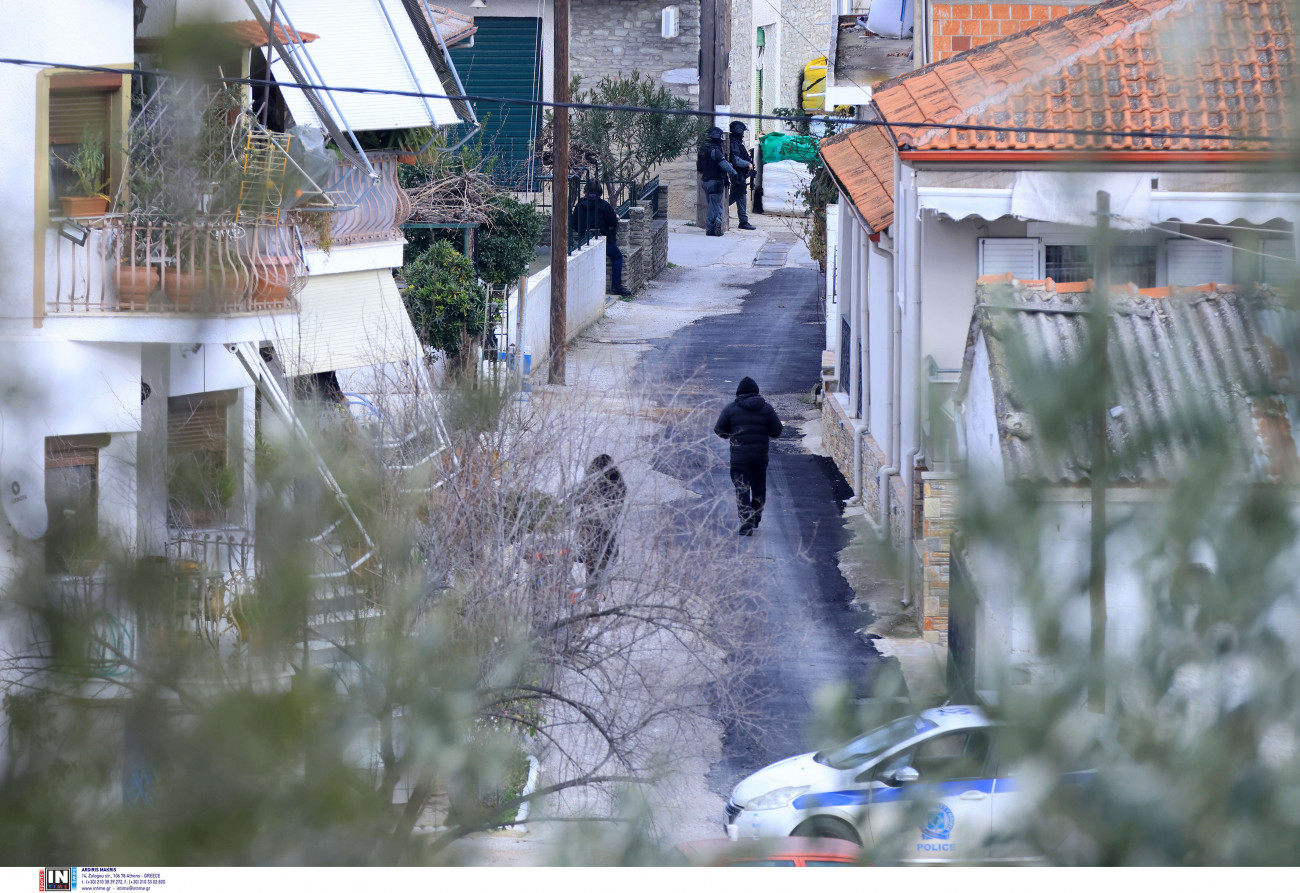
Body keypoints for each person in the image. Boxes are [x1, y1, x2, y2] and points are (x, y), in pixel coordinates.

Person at [713, 377, 782, 536]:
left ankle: (746, 519)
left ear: (739, 393)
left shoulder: (730, 409)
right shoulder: (767, 409)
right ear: (756, 392)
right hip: (759, 458)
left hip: (739, 459)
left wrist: (731, 435)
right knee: (759, 488)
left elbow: (719, 430)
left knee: (741, 489)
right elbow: (776, 431)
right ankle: (756, 517)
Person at [573, 453, 627, 593]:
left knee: (593, 568)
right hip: (607, 538)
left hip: (591, 537)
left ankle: (592, 600)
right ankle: (595, 600)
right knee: (600, 571)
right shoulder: (618, 485)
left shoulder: (590, 483)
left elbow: (574, 499)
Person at [571, 183, 631, 296]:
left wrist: (583, 231)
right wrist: (616, 219)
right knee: (617, 256)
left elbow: (574, 224)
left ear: (585, 191)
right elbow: (612, 221)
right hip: (603, 239)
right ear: (599, 191)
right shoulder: (603, 205)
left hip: (584, 240)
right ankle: (616, 286)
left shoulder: (579, 205)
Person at [697, 127, 738, 237]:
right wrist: (734, 173)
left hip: (705, 181)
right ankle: (711, 228)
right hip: (715, 181)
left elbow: (699, 169)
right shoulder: (714, 150)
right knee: (714, 206)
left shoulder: (702, 149)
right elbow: (723, 164)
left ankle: (717, 223)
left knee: (715, 204)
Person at [727, 121, 757, 231]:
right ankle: (743, 221)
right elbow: (735, 160)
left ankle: (743, 221)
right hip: (737, 174)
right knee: (737, 196)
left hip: (740, 174)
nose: (743, 133)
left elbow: (742, 156)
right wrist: (747, 164)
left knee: (739, 195)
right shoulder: (734, 143)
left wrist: (750, 162)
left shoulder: (737, 142)